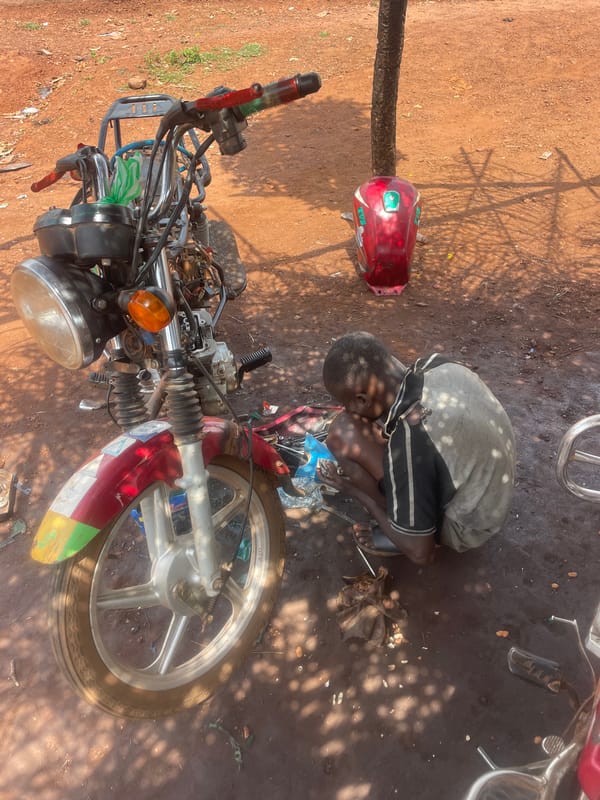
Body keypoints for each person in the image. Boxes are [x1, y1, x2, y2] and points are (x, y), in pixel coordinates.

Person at [318, 331, 516, 566]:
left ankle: (404, 526)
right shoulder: (435, 363)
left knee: (342, 434)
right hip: (492, 486)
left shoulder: (412, 438)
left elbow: (421, 553)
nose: (347, 409)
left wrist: (353, 490)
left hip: (469, 525)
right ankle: (409, 508)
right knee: (363, 434)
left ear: (362, 399)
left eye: (346, 403)